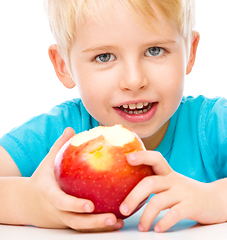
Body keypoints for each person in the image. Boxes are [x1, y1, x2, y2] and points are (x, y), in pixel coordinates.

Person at [0, 0, 227, 233]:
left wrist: (215, 198)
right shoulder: (59, 133)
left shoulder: (213, 124)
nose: (134, 80)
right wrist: (25, 202)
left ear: (190, 52)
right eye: (105, 57)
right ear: (64, 65)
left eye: (155, 50)